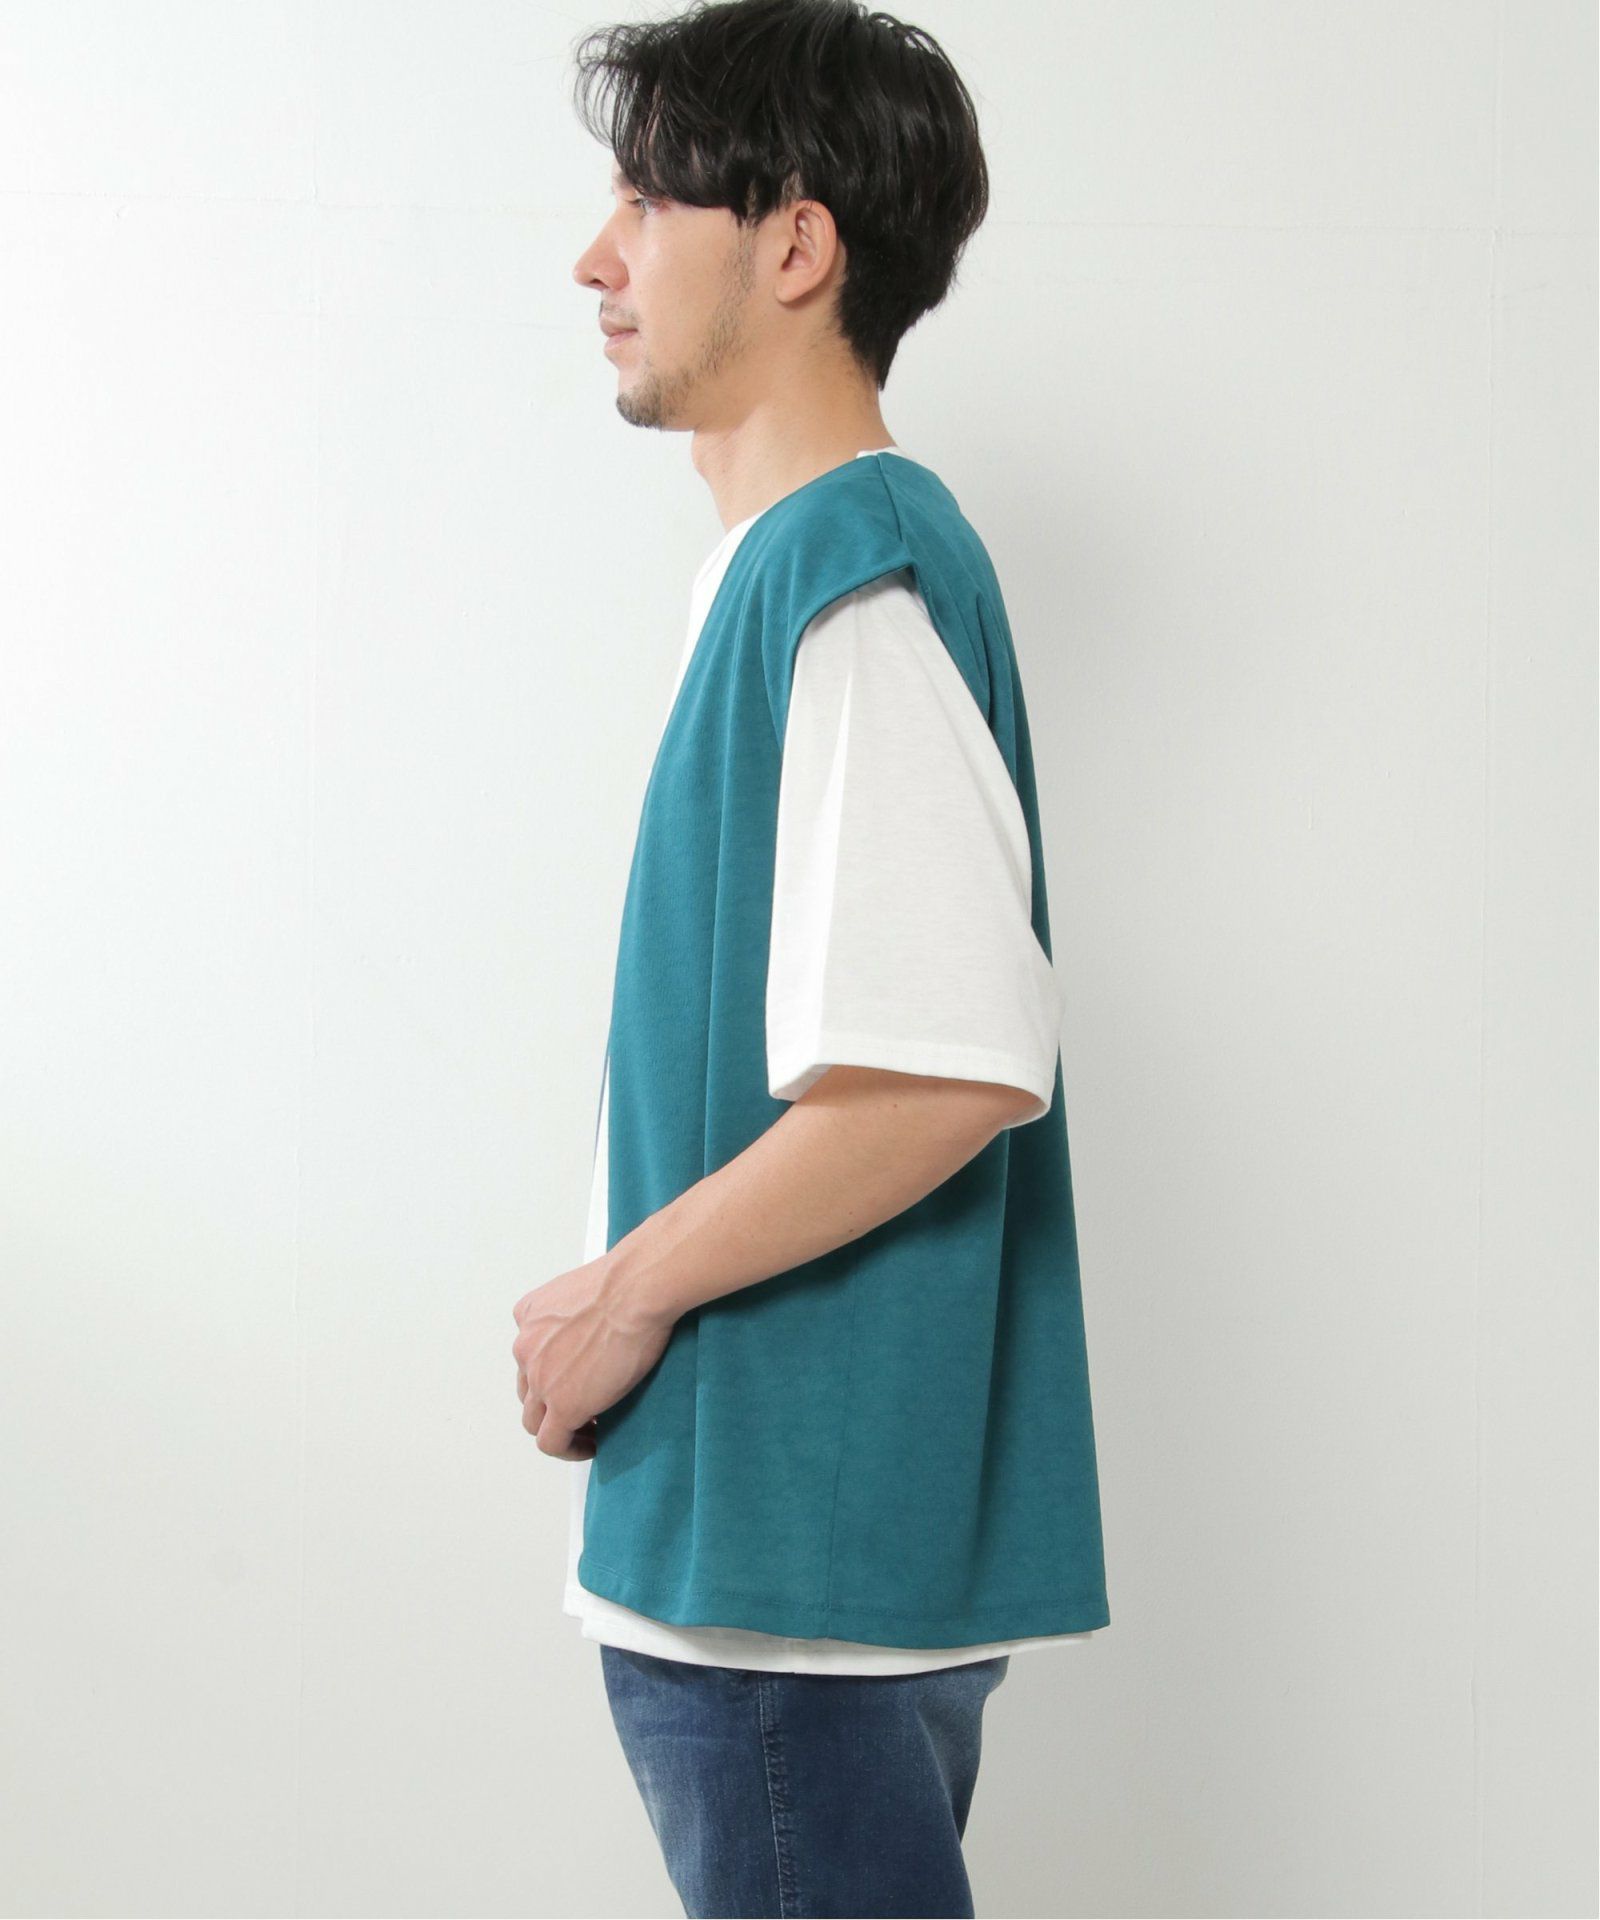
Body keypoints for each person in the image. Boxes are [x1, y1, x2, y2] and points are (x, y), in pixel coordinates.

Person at [511, 2, 1110, 1913]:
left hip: (787, 1600)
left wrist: (621, 1296)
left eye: (644, 200)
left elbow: (950, 1071)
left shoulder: (846, 576)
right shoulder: (804, 569)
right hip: (779, 1573)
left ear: (795, 244)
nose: (596, 258)